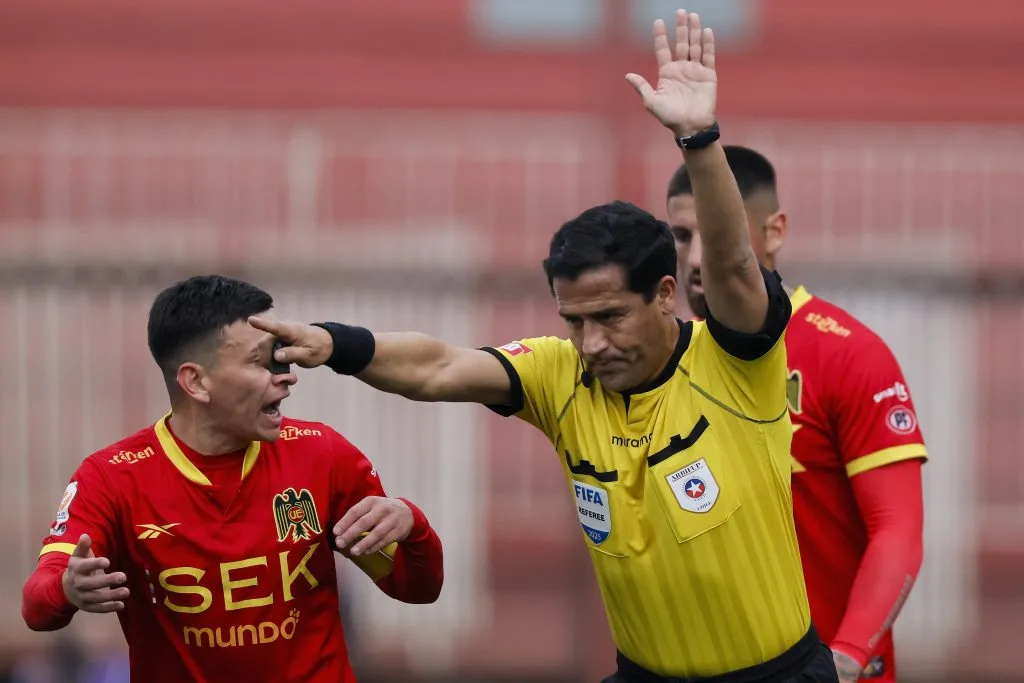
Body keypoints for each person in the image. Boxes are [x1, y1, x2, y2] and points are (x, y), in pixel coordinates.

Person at [252, 11, 838, 683]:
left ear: (666, 293)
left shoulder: (736, 362)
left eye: (611, 316)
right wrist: (334, 342)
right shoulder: (559, 375)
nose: (592, 343)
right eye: (574, 320)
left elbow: (735, 268)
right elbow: (440, 365)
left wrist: (698, 138)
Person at [21, 275, 444, 683]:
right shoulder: (112, 478)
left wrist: (412, 524)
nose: (288, 374)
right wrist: (67, 587)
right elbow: (36, 606)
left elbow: (416, 587)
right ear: (196, 381)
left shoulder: (322, 454)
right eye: (262, 362)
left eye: (282, 356)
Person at [666, 146, 926, 683]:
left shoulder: (847, 354)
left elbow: (897, 528)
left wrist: (847, 657)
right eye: (682, 235)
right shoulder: (664, 361)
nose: (696, 259)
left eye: (718, 232)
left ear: (774, 232)